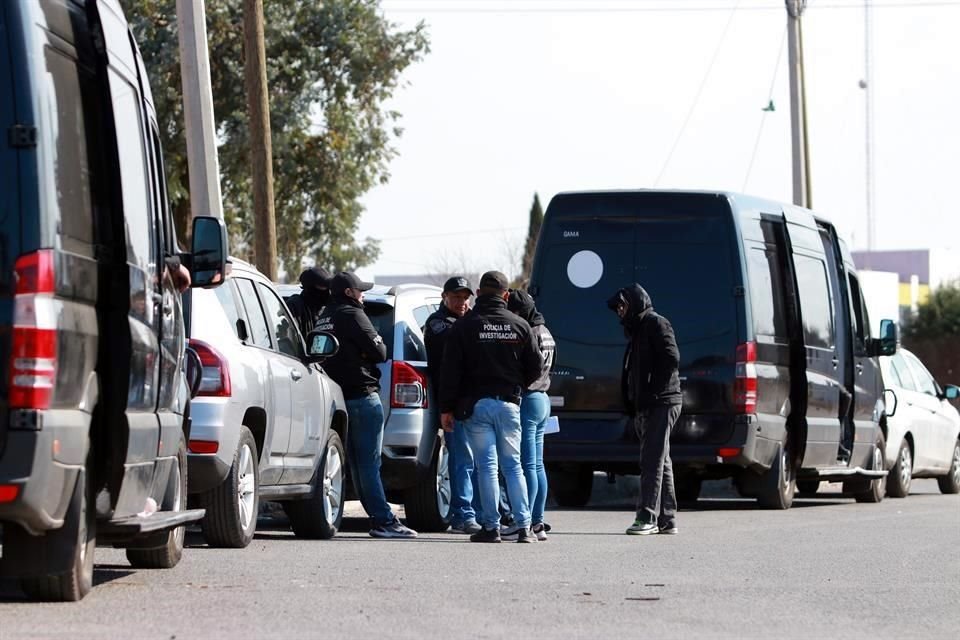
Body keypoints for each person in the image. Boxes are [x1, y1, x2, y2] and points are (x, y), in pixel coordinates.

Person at [440, 271, 543, 543]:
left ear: (479, 293)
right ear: (506, 295)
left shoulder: (464, 326)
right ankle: (524, 526)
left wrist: (447, 408)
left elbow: (451, 371)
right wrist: (517, 385)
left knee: (486, 466)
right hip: (509, 403)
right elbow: (537, 367)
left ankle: (491, 527)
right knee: (514, 466)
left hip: (476, 405)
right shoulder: (520, 324)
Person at [315, 271, 417, 539]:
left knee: (358, 465)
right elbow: (380, 351)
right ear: (349, 292)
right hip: (362, 396)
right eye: (359, 290)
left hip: (337, 399)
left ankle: (378, 518)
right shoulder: (352, 314)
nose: (362, 294)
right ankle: (383, 520)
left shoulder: (324, 316)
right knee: (369, 465)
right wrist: (365, 350)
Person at [607, 284, 682, 536]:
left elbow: (672, 359)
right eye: (617, 307)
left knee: (652, 460)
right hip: (650, 403)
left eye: (622, 305)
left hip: (662, 402)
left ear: (634, 303)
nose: (619, 311)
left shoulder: (656, 323)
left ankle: (647, 516)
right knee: (662, 460)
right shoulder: (637, 329)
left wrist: (653, 390)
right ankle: (667, 519)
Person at [423, 276, 481, 535]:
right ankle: (462, 515)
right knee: (461, 460)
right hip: (452, 402)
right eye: (456, 297)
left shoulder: (466, 323)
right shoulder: (437, 324)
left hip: (474, 401)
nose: (462, 302)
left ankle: (484, 513)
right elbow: (451, 345)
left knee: (479, 461)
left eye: (465, 297)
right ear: (445, 297)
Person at [505, 289, 555, 541]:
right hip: (544, 399)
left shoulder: (528, 333)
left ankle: (522, 520)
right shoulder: (546, 331)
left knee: (526, 466)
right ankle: (538, 520)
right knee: (537, 464)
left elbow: (526, 368)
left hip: (528, 398)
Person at [285, 266, 332, 337]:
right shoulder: (295, 305)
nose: (327, 292)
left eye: (328, 288)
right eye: (324, 287)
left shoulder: (325, 310)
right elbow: (290, 337)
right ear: (310, 288)